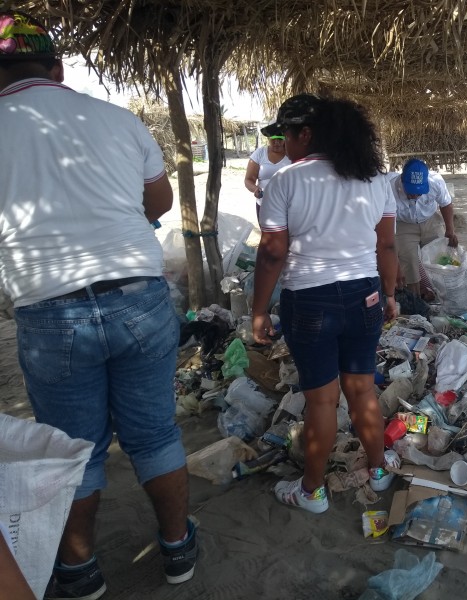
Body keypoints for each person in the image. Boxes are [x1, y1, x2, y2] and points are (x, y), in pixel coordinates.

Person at [0, 12, 197, 599]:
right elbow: (157, 199)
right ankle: (178, 548)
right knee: (155, 433)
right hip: (138, 295)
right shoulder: (117, 118)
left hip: (48, 310)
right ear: (58, 68)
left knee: (74, 450)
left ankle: (81, 572)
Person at [251, 93, 399, 514]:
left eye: (286, 135)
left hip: (311, 300)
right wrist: (389, 296)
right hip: (365, 295)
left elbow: (273, 253)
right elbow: (385, 245)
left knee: (321, 401)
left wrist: (259, 310)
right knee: (363, 388)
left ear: (307, 133)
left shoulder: (284, 182)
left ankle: (312, 491)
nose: (283, 145)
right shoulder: (375, 180)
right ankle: (379, 469)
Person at [388, 159, 458, 298]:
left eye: (419, 192)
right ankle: (415, 298)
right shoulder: (389, 188)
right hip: (402, 224)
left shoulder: (435, 181)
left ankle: (444, 296)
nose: (415, 195)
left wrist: (450, 230)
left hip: (430, 219)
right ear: (402, 179)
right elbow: (387, 224)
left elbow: (446, 204)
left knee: (440, 257)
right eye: (411, 191)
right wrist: (394, 261)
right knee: (409, 262)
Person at [244, 122, 291, 220]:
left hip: (287, 206)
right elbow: (248, 179)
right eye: (273, 139)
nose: (276, 142)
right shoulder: (260, 153)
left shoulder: (291, 154)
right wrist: (255, 189)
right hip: (264, 204)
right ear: (268, 139)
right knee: (267, 234)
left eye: (280, 139)